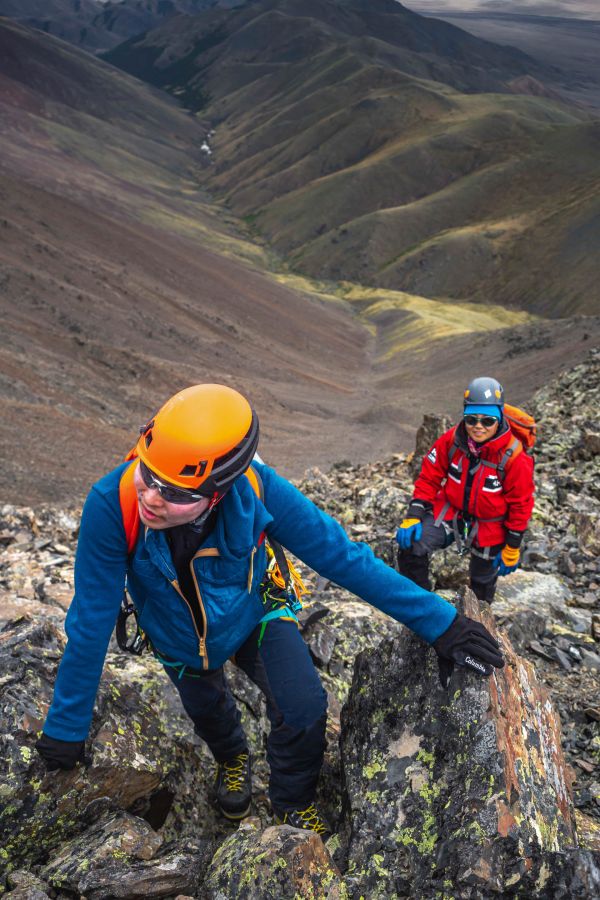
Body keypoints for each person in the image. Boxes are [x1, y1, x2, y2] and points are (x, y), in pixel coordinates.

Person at [36, 383, 504, 839]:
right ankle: (232, 758)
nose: (151, 497)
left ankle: (292, 804)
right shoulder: (112, 504)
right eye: (148, 473)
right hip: (178, 639)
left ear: (219, 490)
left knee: (304, 707)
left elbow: (341, 556)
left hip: (256, 612)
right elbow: (92, 619)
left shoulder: (258, 489)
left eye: (176, 491)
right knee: (210, 714)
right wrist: (66, 726)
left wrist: (441, 622)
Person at [396, 376, 535, 605]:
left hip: (492, 524)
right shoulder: (452, 440)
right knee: (412, 546)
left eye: (488, 421)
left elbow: (521, 504)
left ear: (499, 419)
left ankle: (476, 629)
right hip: (452, 510)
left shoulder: (514, 457)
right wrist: (413, 517)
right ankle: (419, 607)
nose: (478, 426)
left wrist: (512, 546)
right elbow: (429, 477)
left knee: (482, 582)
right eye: (471, 419)